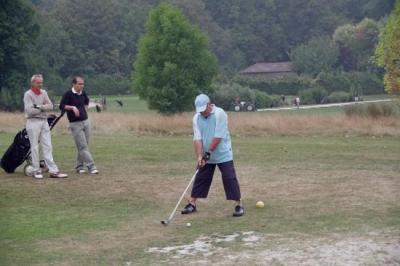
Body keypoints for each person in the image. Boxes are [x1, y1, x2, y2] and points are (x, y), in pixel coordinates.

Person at [181, 94, 244, 217]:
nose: (202, 113)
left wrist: (208, 153)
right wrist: (199, 156)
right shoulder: (196, 118)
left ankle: (238, 205)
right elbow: (197, 138)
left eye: (204, 110)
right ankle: (192, 204)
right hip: (206, 154)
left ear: (209, 105)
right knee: (200, 177)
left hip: (223, 153)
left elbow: (218, 136)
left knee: (229, 177)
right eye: (200, 111)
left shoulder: (220, 114)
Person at [23, 74, 68, 179]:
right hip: (32, 122)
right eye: (38, 83)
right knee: (34, 146)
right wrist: (43, 107)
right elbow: (29, 111)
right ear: (33, 83)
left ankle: (54, 171)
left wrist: (38, 106)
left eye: (41, 82)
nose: (40, 84)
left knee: (48, 146)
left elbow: (51, 105)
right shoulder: (28, 94)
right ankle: (36, 170)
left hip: (44, 121)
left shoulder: (44, 93)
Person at [59, 76, 99, 174]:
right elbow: (61, 106)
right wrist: (73, 108)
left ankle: (79, 166)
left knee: (83, 145)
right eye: (80, 84)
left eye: (83, 84)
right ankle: (92, 166)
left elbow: (86, 102)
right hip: (75, 124)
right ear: (74, 84)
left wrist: (83, 111)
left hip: (86, 122)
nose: (82, 86)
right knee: (82, 146)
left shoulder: (83, 93)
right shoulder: (68, 94)